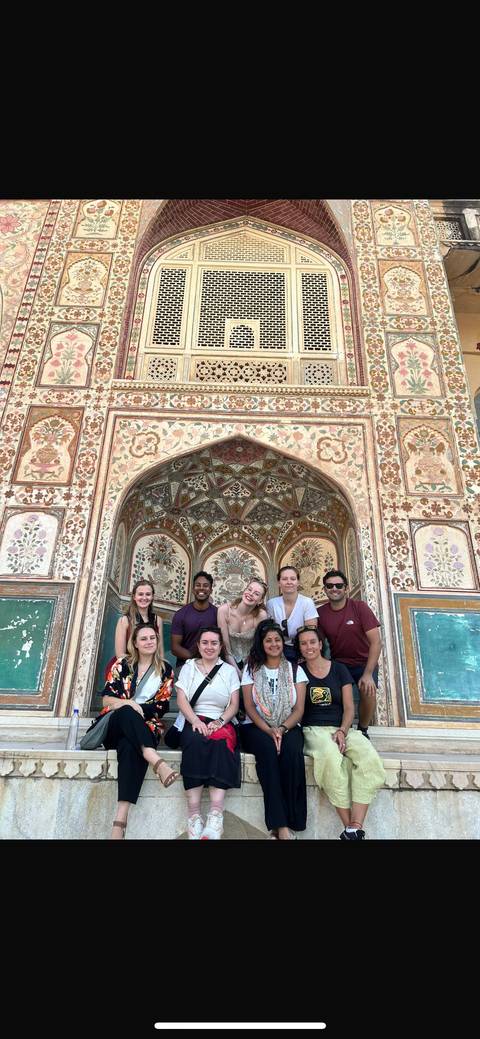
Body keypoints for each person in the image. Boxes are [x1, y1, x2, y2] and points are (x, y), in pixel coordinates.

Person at [296, 626, 386, 840]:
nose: (308, 646)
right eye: (303, 643)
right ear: (299, 648)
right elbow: (298, 708)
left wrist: (343, 731)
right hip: (314, 730)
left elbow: (349, 708)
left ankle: (356, 825)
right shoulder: (298, 672)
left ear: (320, 644)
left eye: (312, 642)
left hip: (342, 727)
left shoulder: (339, 669)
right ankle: (350, 829)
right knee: (330, 758)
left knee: (368, 757)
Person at [100, 622, 180, 839]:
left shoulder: (165, 670)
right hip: (114, 724)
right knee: (126, 711)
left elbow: (161, 707)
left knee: (129, 747)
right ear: (134, 643)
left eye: (152, 638)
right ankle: (155, 759)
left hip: (146, 727)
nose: (148, 642)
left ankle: (120, 820)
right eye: (143, 638)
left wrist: (138, 707)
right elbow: (106, 699)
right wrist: (129, 705)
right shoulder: (121, 665)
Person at [241, 619, 308, 839]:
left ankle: (292, 821)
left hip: (288, 725)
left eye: (277, 640)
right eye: (268, 640)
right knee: (268, 754)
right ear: (262, 644)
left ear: (283, 642)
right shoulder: (251, 668)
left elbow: (298, 709)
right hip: (256, 726)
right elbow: (249, 707)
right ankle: (280, 827)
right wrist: (269, 730)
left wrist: (281, 729)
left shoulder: (295, 669)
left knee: (291, 754)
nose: (273, 644)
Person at [175, 626, 241, 839]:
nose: (209, 647)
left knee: (221, 743)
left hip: (220, 720)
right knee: (194, 742)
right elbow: (182, 698)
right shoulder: (189, 667)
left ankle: (215, 815)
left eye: (214, 643)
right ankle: (194, 815)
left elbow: (234, 703)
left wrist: (221, 721)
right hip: (193, 718)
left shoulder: (229, 671)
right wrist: (194, 720)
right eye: (205, 643)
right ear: (198, 645)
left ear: (221, 646)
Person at [317, 570, 382, 738]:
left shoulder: (359, 607)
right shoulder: (321, 613)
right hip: (339, 663)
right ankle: (336, 726)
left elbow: (376, 642)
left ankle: (363, 729)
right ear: (324, 589)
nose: (334, 589)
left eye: (339, 585)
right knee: (328, 692)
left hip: (363, 662)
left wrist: (368, 674)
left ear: (346, 588)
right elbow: (318, 643)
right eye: (330, 586)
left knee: (368, 689)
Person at [106, 579, 163, 678]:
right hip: (126, 669)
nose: (144, 598)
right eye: (140, 594)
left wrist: (158, 671)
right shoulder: (124, 620)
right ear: (134, 597)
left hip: (150, 670)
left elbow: (160, 651)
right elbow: (120, 654)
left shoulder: (158, 620)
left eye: (148, 594)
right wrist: (139, 671)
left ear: (152, 596)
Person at [217, 579, 269, 677]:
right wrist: (238, 673)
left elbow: (258, 646)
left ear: (260, 601)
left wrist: (247, 672)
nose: (250, 594)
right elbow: (226, 648)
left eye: (256, 594)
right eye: (249, 589)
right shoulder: (224, 610)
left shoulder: (262, 616)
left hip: (252, 662)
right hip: (227, 661)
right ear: (244, 590)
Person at [266, 565, 318, 662]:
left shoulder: (307, 602)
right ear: (279, 583)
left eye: (293, 579)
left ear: (298, 582)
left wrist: (303, 656)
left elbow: (310, 633)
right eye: (284, 579)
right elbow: (269, 632)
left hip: (301, 648)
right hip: (278, 649)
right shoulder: (271, 604)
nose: (289, 582)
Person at [171, 571, 218, 667]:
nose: (201, 588)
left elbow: (222, 644)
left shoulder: (217, 614)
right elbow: (175, 647)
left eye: (205, 585)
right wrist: (197, 660)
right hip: (185, 665)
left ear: (210, 590)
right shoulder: (181, 614)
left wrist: (206, 660)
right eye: (198, 585)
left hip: (210, 666)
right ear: (193, 589)